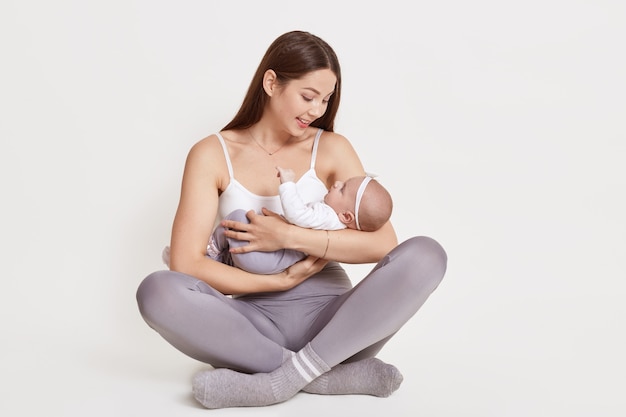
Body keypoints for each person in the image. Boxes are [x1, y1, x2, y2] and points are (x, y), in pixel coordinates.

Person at [136, 30, 447, 409]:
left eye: (326, 99)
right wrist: (279, 280)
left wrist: (289, 237)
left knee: (427, 254)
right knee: (156, 290)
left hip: (339, 327)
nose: (317, 110)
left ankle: (278, 382)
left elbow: (383, 244)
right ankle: (322, 377)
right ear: (271, 83)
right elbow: (187, 263)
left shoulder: (331, 148)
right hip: (252, 328)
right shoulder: (211, 154)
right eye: (308, 96)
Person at [161, 167, 393, 274]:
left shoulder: (327, 216)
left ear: (346, 216)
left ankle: (210, 252)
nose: (337, 184)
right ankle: (216, 261)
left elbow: (297, 214)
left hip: (272, 259)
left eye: (342, 190)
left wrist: (288, 184)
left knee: (236, 219)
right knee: (241, 235)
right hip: (272, 264)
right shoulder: (337, 224)